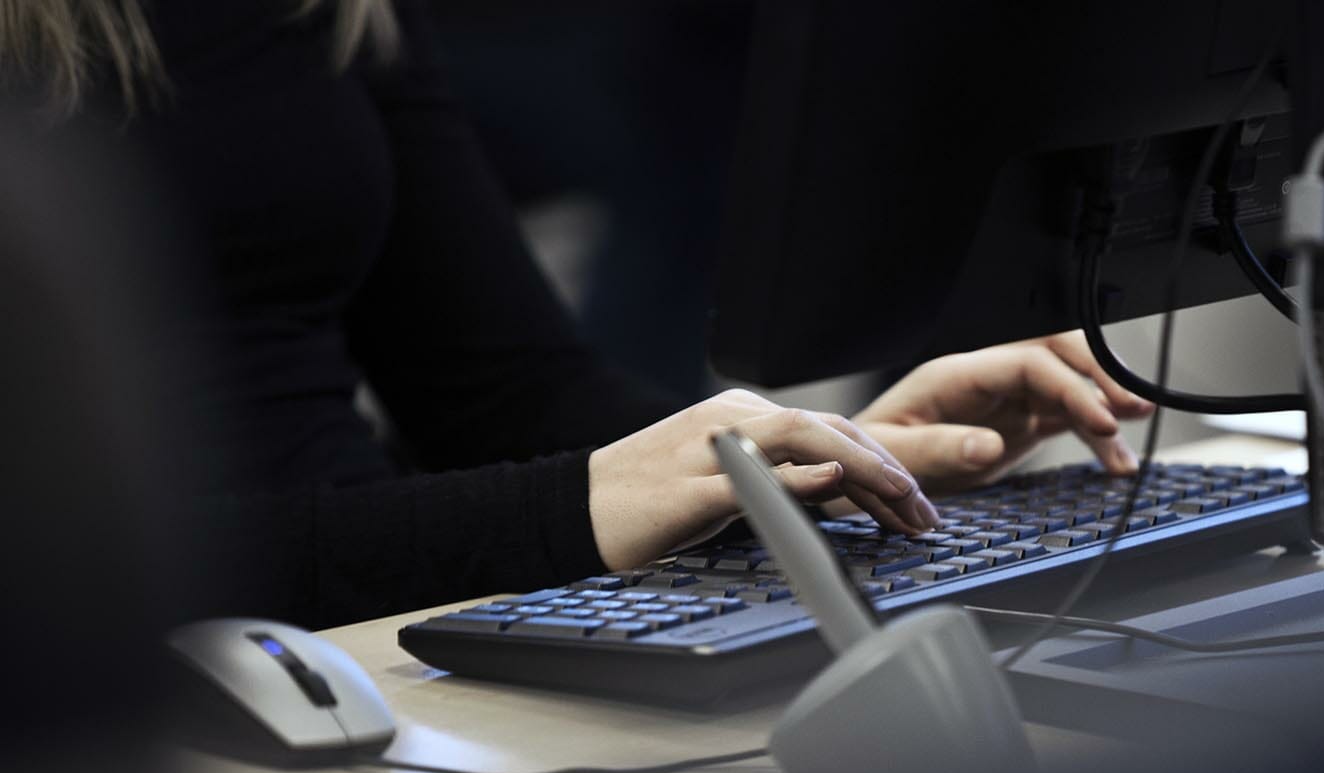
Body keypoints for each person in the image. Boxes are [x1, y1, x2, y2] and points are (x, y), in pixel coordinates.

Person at [1, 0, 1152, 628]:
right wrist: (566, 507)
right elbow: (60, 579)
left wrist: (798, 466)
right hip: (157, 725)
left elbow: (499, 391)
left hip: (380, 664)